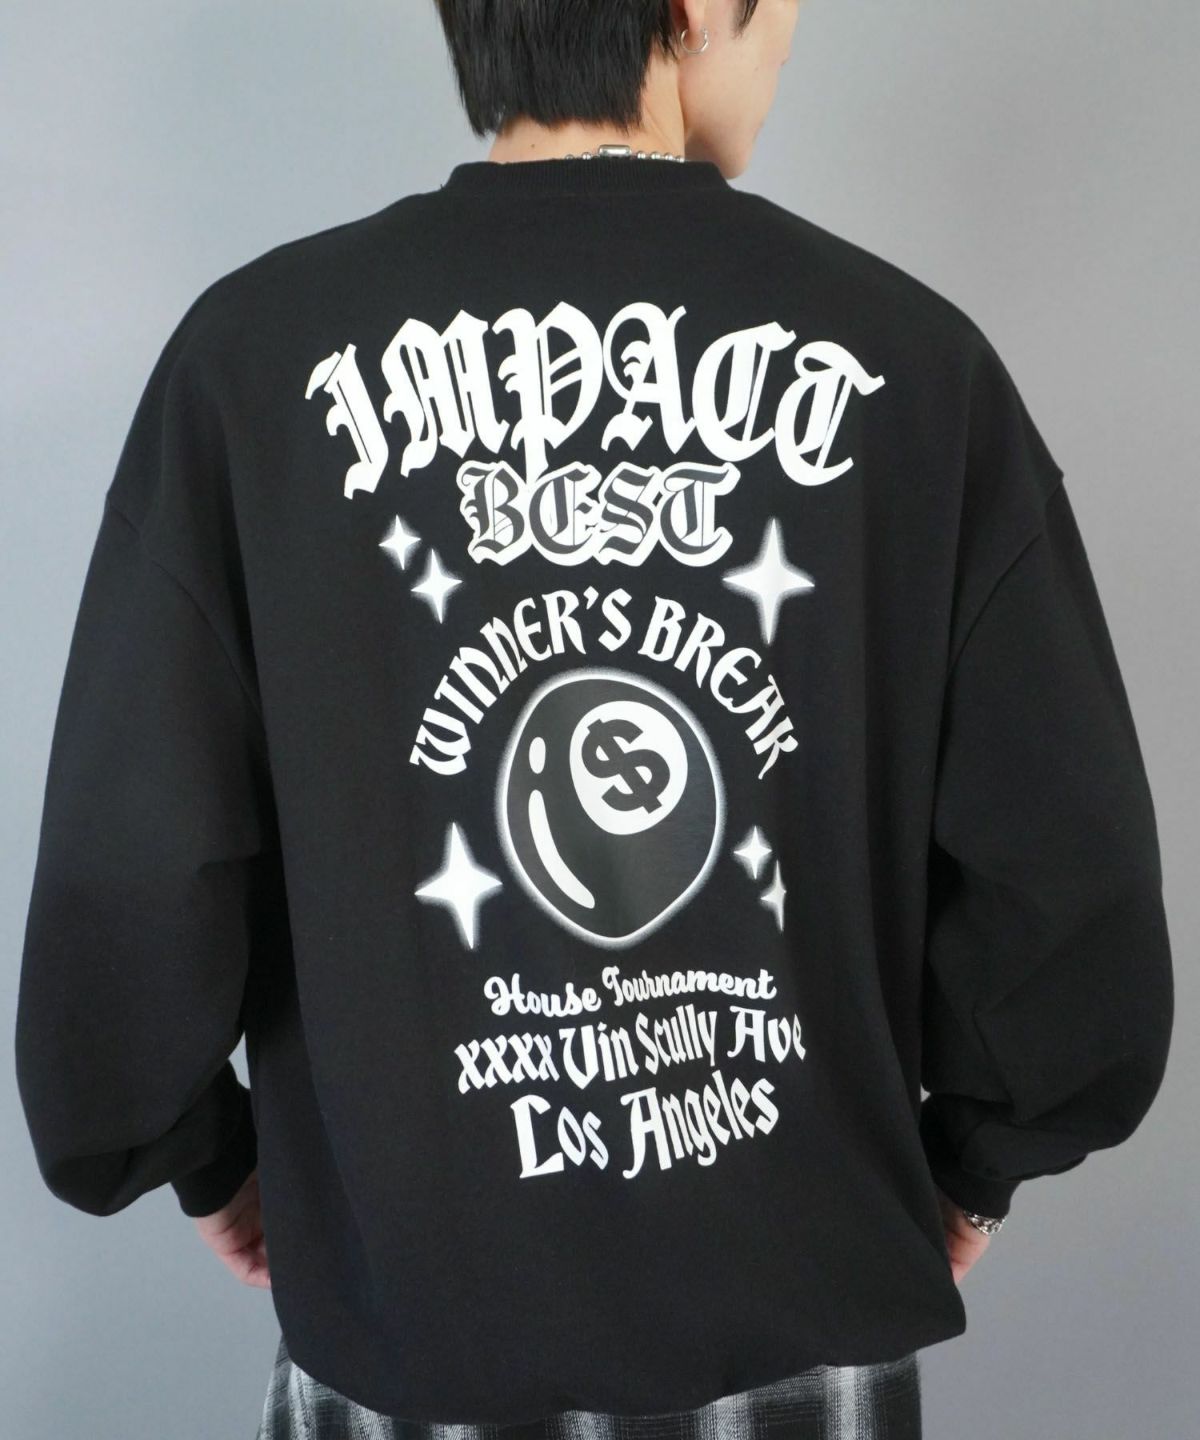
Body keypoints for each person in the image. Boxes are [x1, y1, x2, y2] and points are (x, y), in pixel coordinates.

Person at [14, 2, 1174, 1437]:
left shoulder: (248, 365)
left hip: (407, 1340)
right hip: (796, 1320)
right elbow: (1065, 867)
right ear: (692, 8)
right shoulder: (916, 366)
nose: (792, 36)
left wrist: (199, 1153)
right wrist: (979, 1160)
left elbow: (132, 864)